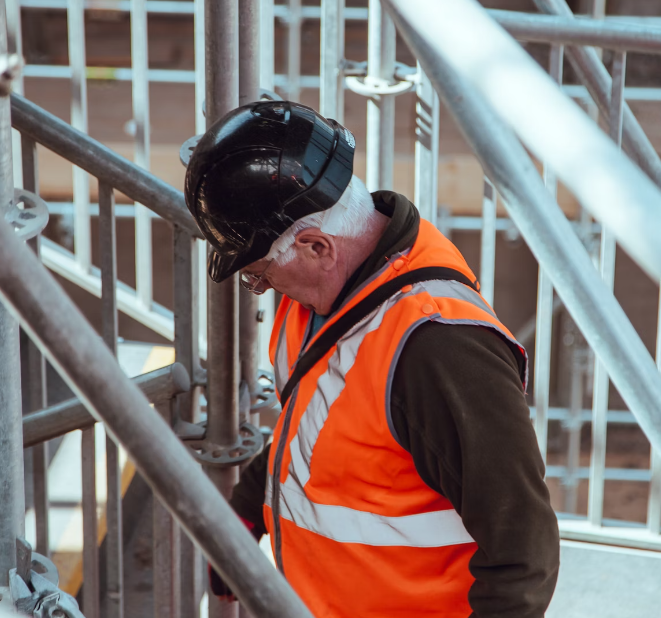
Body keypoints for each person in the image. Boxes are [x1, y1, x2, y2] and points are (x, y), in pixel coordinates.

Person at [184, 100, 559, 618]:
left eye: (258, 273)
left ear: (316, 246)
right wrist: (250, 509)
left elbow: (524, 551)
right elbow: (321, 427)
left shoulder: (437, 347)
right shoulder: (321, 303)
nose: (262, 287)